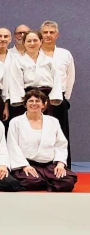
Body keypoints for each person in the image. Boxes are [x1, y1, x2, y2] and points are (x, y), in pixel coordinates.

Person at [8, 90, 76, 192]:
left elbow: (60, 144)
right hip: (28, 164)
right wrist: (25, 166)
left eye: (37, 101)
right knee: (30, 181)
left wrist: (60, 164)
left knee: (68, 182)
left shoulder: (53, 121)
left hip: (49, 166)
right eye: (30, 101)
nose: (34, 104)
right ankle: (47, 181)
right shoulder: (16, 122)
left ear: (44, 104)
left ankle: (44, 180)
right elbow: (12, 146)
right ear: (25, 104)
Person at [4, 31, 64, 120]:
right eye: (29, 41)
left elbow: (57, 81)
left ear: (41, 41)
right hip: (27, 98)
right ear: (24, 43)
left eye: (35, 40)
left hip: (46, 99)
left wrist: (53, 98)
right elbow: (15, 82)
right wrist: (24, 101)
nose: (32, 43)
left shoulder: (50, 61)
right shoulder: (18, 62)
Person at [39, 21, 74, 156]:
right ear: (40, 34)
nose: (48, 35)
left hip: (59, 98)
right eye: (45, 32)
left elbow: (70, 76)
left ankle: (63, 165)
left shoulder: (65, 54)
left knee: (61, 132)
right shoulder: (35, 52)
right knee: (39, 133)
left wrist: (65, 98)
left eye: (51, 32)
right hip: (39, 99)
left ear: (57, 35)